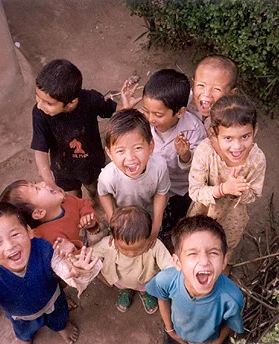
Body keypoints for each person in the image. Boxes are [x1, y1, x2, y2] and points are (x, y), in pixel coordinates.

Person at [0, 202, 101, 344]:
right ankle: (25, 337)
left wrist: (77, 270)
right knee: (23, 332)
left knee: (59, 319)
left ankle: (61, 327)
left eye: (15, 234)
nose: (10, 246)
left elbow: (67, 272)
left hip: (53, 301)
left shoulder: (42, 248)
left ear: (29, 232)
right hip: (21, 317)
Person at [31, 58, 141, 202]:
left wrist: (125, 107)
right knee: (73, 198)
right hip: (62, 170)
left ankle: (93, 199)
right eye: (37, 97)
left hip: (92, 164)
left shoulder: (91, 100)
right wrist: (49, 181)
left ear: (71, 103)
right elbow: (40, 150)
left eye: (48, 103)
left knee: (93, 188)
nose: (40, 105)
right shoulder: (39, 113)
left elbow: (114, 111)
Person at [187, 95, 266, 272]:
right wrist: (223, 189)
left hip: (233, 217)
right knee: (198, 241)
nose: (237, 147)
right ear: (215, 134)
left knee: (227, 245)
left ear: (255, 130)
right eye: (228, 138)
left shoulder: (257, 159)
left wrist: (240, 189)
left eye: (245, 136)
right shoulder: (205, 151)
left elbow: (253, 195)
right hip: (203, 211)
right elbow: (195, 190)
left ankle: (223, 267)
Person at [146, 215, 244, 344]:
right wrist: (170, 330)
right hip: (176, 334)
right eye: (192, 253)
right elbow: (162, 298)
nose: (204, 261)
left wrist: (217, 342)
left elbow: (230, 324)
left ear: (224, 261)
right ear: (177, 262)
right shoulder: (165, 279)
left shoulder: (232, 298)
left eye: (213, 253)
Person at [141, 69, 206, 241]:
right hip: (153, 183)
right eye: (146, 111)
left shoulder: (194, 129)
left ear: (180, 112)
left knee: (175, 216)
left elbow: (201, 167)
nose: (150, 119)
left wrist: (185, 155)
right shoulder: (143, 125)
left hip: (179, 188)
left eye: (158, 115)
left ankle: (167, 235)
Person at [98, 109, 171, 242]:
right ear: (109, 153)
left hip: (150, 213)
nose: (130, 158)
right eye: (120, 151)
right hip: (125, 219)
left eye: (137, 148)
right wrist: (112, 221)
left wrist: (156, 225)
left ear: (151, 147)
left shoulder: (159, 165)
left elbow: (161, 193)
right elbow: (103, 194)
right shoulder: (108, 176)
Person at [92, 205, 173, 314]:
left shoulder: (154, 245)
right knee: (123, 286)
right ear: (114, 239)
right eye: (124, 249)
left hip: (145, 280)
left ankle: (145, 293)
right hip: (120, 279)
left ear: (149, 238)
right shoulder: (109, 243)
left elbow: (169, 266)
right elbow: (92, 253)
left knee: (145, 287)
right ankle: (125, 291)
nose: (131, 254)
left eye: (138, 249)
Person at [0, 179, 101, 249]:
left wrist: (88, 217)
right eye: (37, 189)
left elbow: (83, 203)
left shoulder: (65, 200)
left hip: (85, 238)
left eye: (35, 183)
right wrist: (74, 250)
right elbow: (71, 260)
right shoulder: (49, 238)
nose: (43, 183)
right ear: (39, 212)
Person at [188, 55, 238, 133]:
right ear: (193, 84)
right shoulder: (183, 102)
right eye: (201, 85)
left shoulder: (233, 118)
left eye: (217, 89)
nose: (206, 93)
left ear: (231, 94)